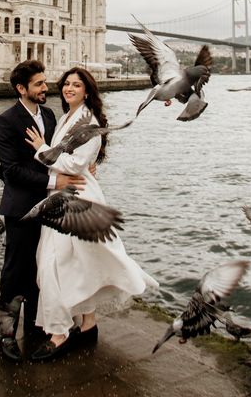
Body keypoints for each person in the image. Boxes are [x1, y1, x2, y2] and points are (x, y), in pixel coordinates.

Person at [25, 67, 159, 362]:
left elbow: (73, 165)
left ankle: (59, 334)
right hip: (64, 197)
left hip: (77, 198)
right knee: (77, 263)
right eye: (66, 84)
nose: (69, 89)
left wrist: (41, 149)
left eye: (76, 85)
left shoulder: (91, 121)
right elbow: (77, 162)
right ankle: (88, 325)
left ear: (88, 91)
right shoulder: (65, 117)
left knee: (52, 264)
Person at [0, 59, 85, 361]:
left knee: (41, 268)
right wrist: (54, 180)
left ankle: (35, 326)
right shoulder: (5, 121)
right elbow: (12, 171)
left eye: (45, 82)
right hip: (21, 206)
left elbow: (60, 153)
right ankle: (4, 337)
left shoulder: (49, 114)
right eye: (39, 84)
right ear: (22, 89)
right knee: (14, 272)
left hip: (49, 207)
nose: (47, 88)